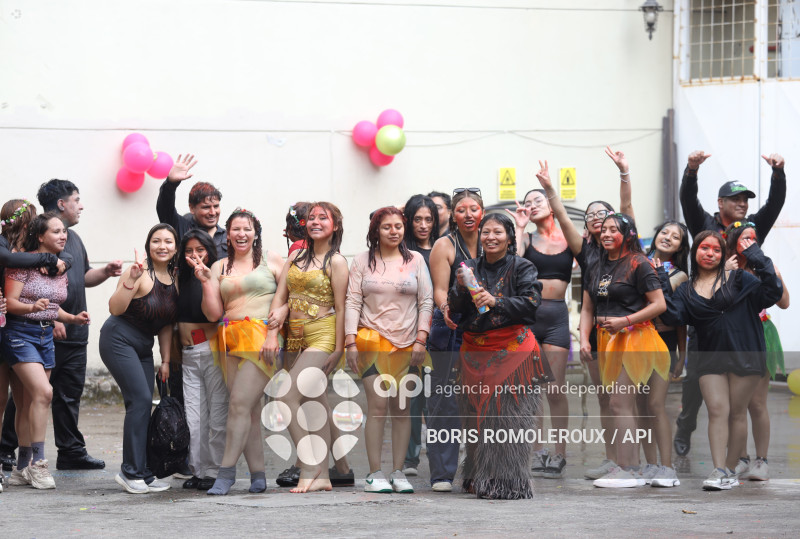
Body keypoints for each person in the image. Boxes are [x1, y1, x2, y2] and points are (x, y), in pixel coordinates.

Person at [675, 151, 786, 457]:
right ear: (720, 203)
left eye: (745, 200)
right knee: (696, 380)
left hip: (740, 321)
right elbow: (688, 199)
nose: (742, 204)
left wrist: (778, 175)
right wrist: (692, 171)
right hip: (706, 316)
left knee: (739, 401)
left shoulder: (749, 229)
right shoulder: (705, 225)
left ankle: (736, 450)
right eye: (735, 199)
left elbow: (773, 207)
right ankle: (685, 426)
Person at [532, 150, 634, 480]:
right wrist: (550, 190)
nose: (595, 217)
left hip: (628, 330)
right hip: (595, 331)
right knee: (604, 398)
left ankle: (628, 464)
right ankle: (610, 459)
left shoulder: (629, 251)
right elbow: (562, 217)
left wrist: (623, 173)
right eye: (590, 214)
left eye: (603, 214)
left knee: (623, 401)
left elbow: (627, 210)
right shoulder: (586, 251)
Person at [658, 230, 783, 490]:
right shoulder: (686, 289)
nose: (710, 253)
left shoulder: (740, 279)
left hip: (745, 352)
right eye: (705, 248)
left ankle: (728, 469)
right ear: (695, 252)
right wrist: (660, 281)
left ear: (723, 254)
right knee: (717, 410)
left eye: (716, 249)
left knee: (737, 413)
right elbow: (672, 316)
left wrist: (759, 258)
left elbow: (772, 293)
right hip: (708, 356)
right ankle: (718, 470)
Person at [448, 212, 548, 499]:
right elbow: (456, 308)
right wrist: (459, 287)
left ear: (509, 237)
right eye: (486, 232)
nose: (491, 237)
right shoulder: (469, 266)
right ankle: (477, 476)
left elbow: (531, 303)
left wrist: (496, 301)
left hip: (513, 354)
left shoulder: (523, 266)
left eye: (498, 233)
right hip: (474, 352)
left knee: (508, 420)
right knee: (475, 420)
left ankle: (507, 482)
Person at [188, 209, 284, 495]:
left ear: (256, 233)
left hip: (261, 339)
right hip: (228, 339)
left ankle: (226, 473)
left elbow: (287, 300)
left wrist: (273, 334)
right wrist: (206, 281)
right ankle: (258, 475)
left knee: (238, 406)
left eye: (247, 229)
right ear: (227, 234)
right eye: (235, 229)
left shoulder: (273, 260)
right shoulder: (219, 266)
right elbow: (214, 312)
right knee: (249, 411)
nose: (241, 234)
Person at [578, 213, 673, 489]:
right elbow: (587, 308)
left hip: (636, 338)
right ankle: (629, 467)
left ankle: (629, 469)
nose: (606, 234)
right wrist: (584, 339)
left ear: (628, 234)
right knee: (619, 404)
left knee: (620, 404)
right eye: (603, 230)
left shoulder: (638, 263)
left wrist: (625, 321)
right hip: (606, 340)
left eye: (613, 230)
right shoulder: (595, 266)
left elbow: (659, 305)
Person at [34, 179, 122, 471]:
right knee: (30, 395)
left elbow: (82, 277)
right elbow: (30, 285)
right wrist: (51, 317)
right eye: (76, 199)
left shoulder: (73, 238)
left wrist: (106, 273)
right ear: (62, 204)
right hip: (44, 331)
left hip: (75, 332)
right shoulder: (37, 237)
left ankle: (71, 452)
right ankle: (10, 450)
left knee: (70, 394)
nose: (81, 205)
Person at [264, 202, 352, 493]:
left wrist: (339, 348)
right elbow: (280, 299)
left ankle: (310, 463)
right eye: (311, 218)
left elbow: (341, 308)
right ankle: (325, 477)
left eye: (322, 218)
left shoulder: (336, 261)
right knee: (316, 404)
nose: (315, 221)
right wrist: (272, 334)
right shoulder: (295, 258)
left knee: (285, 397)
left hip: (323, 335)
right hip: (295, 338)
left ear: (335, 226)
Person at [345, 206, 433, 493]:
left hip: (408, 344)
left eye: (398, 226)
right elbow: (352, 302)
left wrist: (421, 339)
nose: (394, 231)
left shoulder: (416, 260)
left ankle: (398, 472)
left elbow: (427, 301)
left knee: (403, 408)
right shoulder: (361, 261)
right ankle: (374, 473)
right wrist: (349, 341)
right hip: (371, 341)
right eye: (387, 227)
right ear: (375, 231)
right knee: (379, 405)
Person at [3, 212, 90, 489]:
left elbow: (52, 306)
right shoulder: (22, 265)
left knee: (27, 403)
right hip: (19, 334)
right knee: (44, 393)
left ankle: (21, 468)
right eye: (55, 231)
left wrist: (72, 318)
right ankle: (39, 464)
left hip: (45, 337)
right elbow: (11, 302)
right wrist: (31, 308)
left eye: (64, 231)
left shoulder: (60, 267)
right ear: (40, 236)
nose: (63, 235)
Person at [101, 224, 178, 493]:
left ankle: (144, 471)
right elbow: (115, 307)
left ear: (175, 247)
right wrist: (131, 279)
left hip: (144, 346)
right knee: (141, 400)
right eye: (156, 241)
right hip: (118, 338)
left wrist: (165, 360)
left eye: (168, 241)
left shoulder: (175, 277)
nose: (162, 246)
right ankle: (129, 472)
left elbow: (167, 324)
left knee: (144, 404)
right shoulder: (139, 272)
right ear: (148, 246)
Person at [507, 187, 574, 479]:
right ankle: (537, 451)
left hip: (558, 318)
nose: (532, 205)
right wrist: (520, 228)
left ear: (551, 202)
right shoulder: (527, 238)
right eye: (527, 202)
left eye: (538, 200)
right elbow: (513, 264)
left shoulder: (570, 238)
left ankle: (559, 453)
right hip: (529, 318)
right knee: (531, 390)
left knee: (555, 389)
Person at [0, 199, 71, 473]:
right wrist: (48, 259)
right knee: (5, 401)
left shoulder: (28, 251)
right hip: (12, 331)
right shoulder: (8, 249)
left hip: (23, 329)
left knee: (25, 401)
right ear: (19, 221)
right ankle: (27, 463)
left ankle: (22, 466)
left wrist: (59, 263)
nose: (32, 224)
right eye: (30, 219)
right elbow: (7, 261)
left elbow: (68, 259)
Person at [427, 188, 485, 492]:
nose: (468, 215)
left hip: (484, 329)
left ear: (482, 212)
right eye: (461, 210)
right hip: (449, 326)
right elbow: (439, 288)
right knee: (444, 402)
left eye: (473, 209)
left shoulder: (493, 242)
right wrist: (446, 307)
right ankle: (442, 473)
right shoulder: (444, 245)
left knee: (479, 403)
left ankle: (477, 470)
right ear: (452, 214)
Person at [724, 221, 790, 482]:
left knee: (757, 403)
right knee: (732, 404)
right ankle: (740, 457)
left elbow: (784, 302)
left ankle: (761, 461)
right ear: (732, 242)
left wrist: (770, 270)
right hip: (731, 337)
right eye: (744, 238)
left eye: (753, 238)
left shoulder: (765, 265)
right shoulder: (725, 264)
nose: (750, 242)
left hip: (761, 333)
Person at [175, 230, 227, 491]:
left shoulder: (214, 275)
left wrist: (206, 280)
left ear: (210, 251)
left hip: (212, 351)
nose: (194, 256)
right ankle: (199, 470)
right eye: (189, 251)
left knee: (217, 416)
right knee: (194, 419)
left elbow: (215, 314)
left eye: (200, 250)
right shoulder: (179, 278)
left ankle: (215, 471)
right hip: (187, 355)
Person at [640, 220, 690, 482]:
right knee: (640, 407)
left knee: (655, 404)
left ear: (681, 246)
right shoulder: (637, 262)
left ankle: (667, 466)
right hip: (636, 343)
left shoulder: (679, 275)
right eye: (664, 232)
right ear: (655, 234)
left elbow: (679, 318)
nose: (668, 238)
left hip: (664, 343)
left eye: (676, 236)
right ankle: (650, 464)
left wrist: (682, 356)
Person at [400, 194, 439, 476]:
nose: (423, 225)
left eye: (429, 219)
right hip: (407, 329)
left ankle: (440, 456)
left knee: (439, 396)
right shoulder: (402, 253)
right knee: (412, 397)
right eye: (417, 219)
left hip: (440, 329)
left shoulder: (443, 248)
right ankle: (410, 458)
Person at [157, 154, 227, 258]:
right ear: (192, 208)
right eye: (206, 207)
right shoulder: (181, 227)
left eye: (216, 206)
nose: (213, 212)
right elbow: (165, 208)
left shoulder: (227, 237)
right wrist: (171, 184)